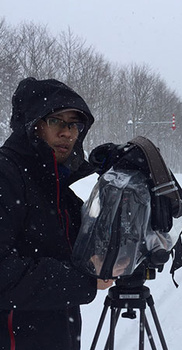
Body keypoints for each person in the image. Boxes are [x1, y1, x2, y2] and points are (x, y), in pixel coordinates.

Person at [0, 77, 119, 349]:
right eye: (56, 121)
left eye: (75, 124)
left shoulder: (58, 190)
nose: (67, 132)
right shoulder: (6, 176)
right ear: (32, 125)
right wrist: (85, 281)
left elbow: (88, 246)